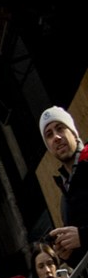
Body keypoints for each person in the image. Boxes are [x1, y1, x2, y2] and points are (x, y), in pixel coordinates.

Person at [39, 105, 86, 263]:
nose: (56, 137)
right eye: (49, 135)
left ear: (73, 133)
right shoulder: (64, 198)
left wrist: (83, 236)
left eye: (60, 128)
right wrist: (69, 254)